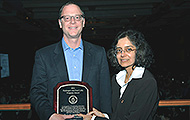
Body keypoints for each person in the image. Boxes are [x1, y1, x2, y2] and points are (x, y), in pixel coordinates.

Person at [30, 2, 112, 120]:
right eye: (67, 18)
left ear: (83, 22)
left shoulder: (99, 53)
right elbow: (36, 92)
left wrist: (105, 117)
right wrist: (51, 116)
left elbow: (105, 92)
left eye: (77, 17)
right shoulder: (43, 55)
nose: (72, 21)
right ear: (60, 23)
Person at [81, 29, 159, 120]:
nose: (122, 54)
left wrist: (93, 119)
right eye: (119, 50)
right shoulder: (117, 79)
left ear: (139, 51)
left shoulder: (147, 82)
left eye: (128, 49)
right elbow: (118, 115)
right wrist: (104, 116)